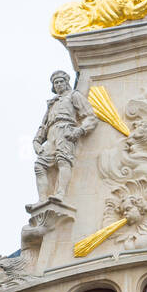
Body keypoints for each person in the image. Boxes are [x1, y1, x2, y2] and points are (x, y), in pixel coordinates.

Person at [34, 71, 97, 202]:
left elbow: (91, 116)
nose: (58, 84)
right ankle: (42, 200)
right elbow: (44, 124)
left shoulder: (74, 95)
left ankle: (61, 194)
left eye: (60, 81)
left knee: (63, 160)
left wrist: (79, 131)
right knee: (39, 165)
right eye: (55, 83)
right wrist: (37, 141)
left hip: (66, 129)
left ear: (66, 82)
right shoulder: (52, 102)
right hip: (51, 134)